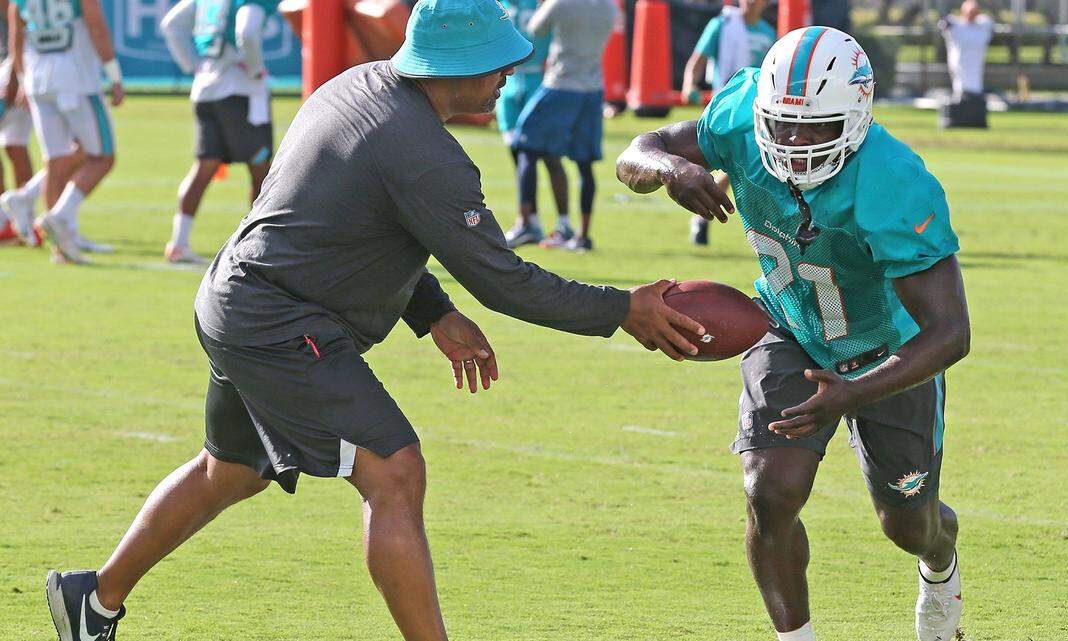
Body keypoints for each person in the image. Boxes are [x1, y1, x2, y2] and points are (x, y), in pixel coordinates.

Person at [44, 2, 705, 640]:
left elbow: (347, 215)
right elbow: (506, 282)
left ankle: (92, 599)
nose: (509, 74)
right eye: (499, 62)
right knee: (394, 470)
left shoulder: (356, 86)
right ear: (455, 63)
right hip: (277, 319)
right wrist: (624, 308)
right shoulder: (424, 151)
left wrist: (435, 311)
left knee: (232, 469)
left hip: (235, 298)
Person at [617, 26, 971, 641]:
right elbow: (636, 150)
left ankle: (940, 568)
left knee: (909, 526)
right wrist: (671, 166)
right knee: (769, 492)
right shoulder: (738, 115)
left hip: (890, 349)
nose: (794, 142)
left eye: (815, 128)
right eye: (781, 125)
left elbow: (949, 334)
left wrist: (853, 392)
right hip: (788, 323)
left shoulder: (895, 180)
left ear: (857, 116)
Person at [160, 0, 278, 264]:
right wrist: (256, 69)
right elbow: (246, 32)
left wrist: (193, 65)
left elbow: (171, 25)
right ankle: (259, 247)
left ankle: (179, 242)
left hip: (205, 88)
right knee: (260, 169)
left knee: (204, 168)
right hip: (239, 91)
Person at [8, 0, 123, 264]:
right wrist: (114, 76)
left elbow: (17, 36)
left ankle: (60, 244)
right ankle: (60, 216)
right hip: (76, 79)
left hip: (38, 80)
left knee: (56, 158)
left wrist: (24, 80)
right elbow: (97, 28)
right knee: (102, 157)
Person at [506, 0, 617, 252]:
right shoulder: (610, 7)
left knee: (524, 146)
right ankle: (582, 235)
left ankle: (525, 222)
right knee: (585, 164)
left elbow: (535, 29)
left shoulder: (560, 3)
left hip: (560, 84)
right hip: (592, 88)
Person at [681, 0, 776, 246]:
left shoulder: (768, 34)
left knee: (743, 167)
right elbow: (698, 60)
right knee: (737, 166)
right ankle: (705, 209)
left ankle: (704, 211)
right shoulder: (722, 25)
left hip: (755, 113)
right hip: (723, 112)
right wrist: (690, 84)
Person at [495, 0, 571, 250]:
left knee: (550, 155)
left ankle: (564, 224)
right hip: (507, 83)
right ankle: (530, 222)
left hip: (540, 79)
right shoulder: (498, 4)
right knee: (519, 156)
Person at [0, 0, 41, 246]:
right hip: (12, 71)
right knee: (14, 146)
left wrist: (16, 76)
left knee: (15, 146)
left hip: (10, 71)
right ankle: (11, 220)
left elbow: (19, 26)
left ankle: (22, 220)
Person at [938, 0, 993, 102]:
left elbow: (987, 21)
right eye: (969, 12)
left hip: (976, 84)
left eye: (974, 12)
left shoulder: (982, 26)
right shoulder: (956, 27)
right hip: (960, 85)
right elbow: (944, 23)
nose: (971, 15)